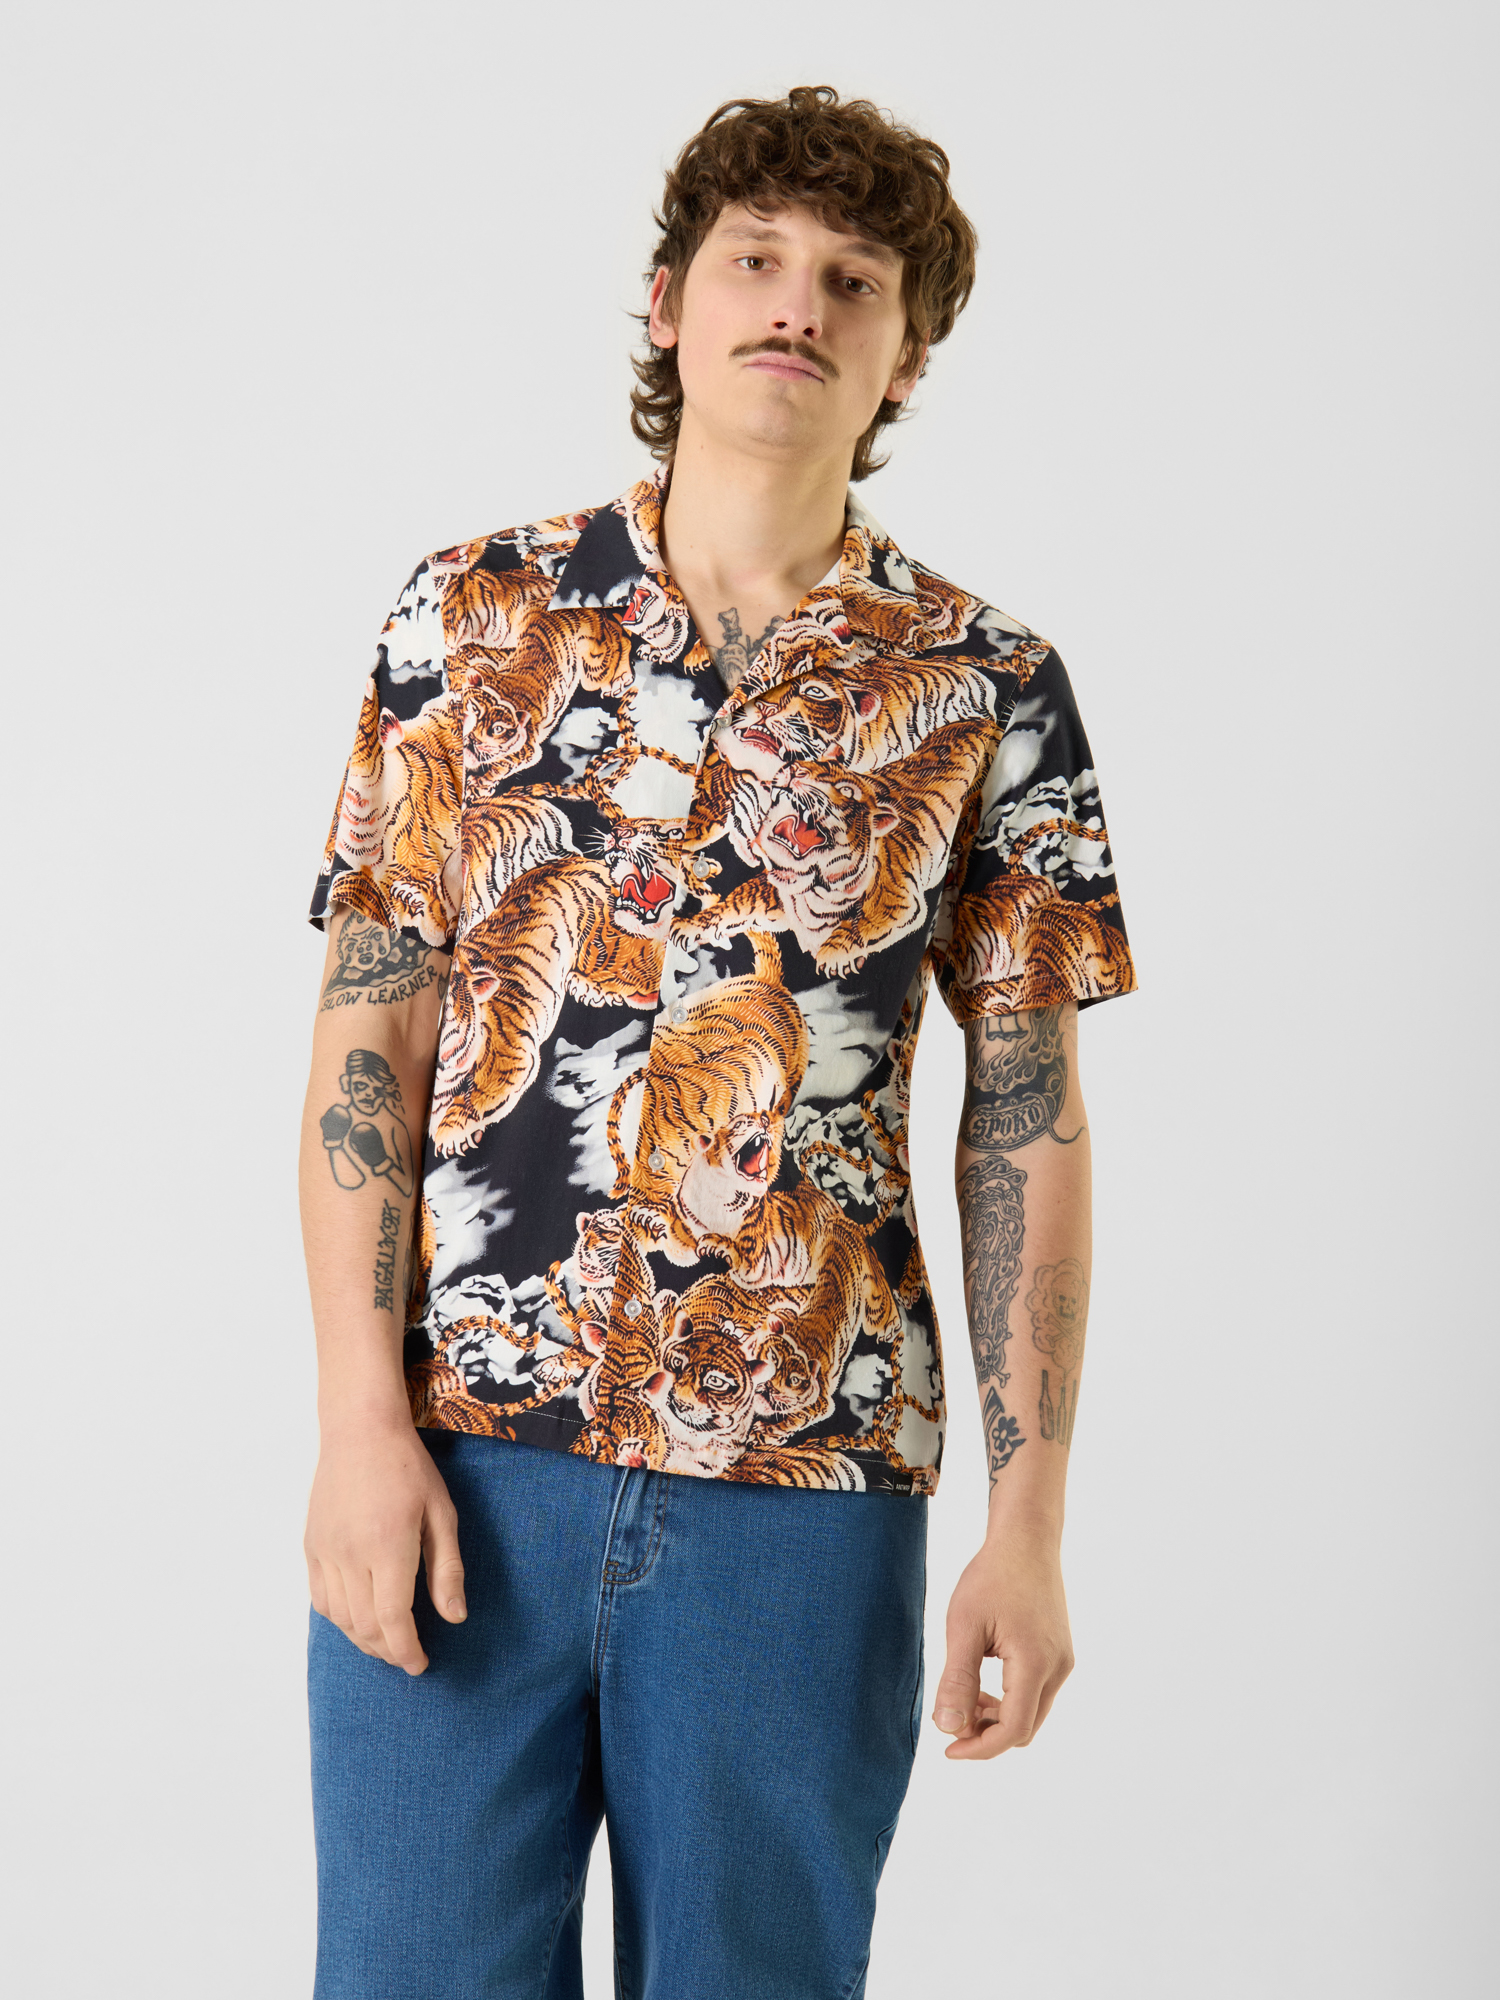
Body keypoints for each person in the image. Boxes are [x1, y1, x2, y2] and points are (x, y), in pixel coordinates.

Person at [299, 84, 1136, 2000]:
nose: (798, 304)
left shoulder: (989, 685)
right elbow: (370, 1043)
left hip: (805, 1494)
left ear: (904, 356)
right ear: (671, 302)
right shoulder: (471, 617)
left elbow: (1026, 1119)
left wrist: (1027, 1527)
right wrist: (357, 1422)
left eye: (855, 280)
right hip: (463, 1466)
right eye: (757, 258)